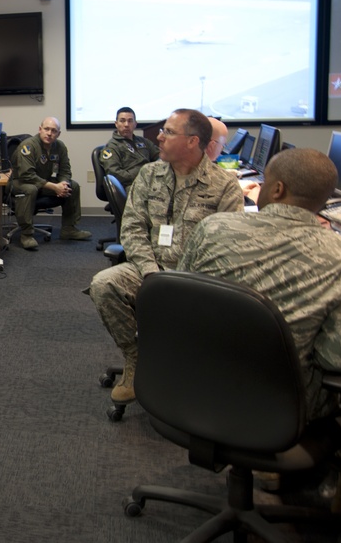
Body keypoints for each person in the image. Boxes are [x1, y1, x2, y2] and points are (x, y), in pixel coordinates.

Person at [178, 148, 341, 521]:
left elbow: (182, 300)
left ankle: (271, 468)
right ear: (325, 201)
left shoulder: (213, 229)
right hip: (285, 408)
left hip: (189, 390)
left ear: (275, 190)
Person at [88, 109, 244, 404]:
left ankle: (190, 365)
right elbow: (131, 228)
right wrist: (150, 271)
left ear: (192, 141)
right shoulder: (149, 174)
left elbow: (227, 245)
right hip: (150, 271)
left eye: (169, 132)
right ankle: (136, 358)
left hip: (198, 278)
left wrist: (181, 278)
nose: (159, 136)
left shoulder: (224, 185)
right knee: (103, 284)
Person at [9, 117, 92, 250]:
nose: (49, 133)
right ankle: (26, 234)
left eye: (54, 131)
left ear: (58, 134)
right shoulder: (28, 146)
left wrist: (63, 184)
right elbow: (27, 175)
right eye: (46, 129)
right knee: (30, 189)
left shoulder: (60, 147)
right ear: (40, 129)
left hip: (41, 182)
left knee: (73, 186)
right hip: (19, 182)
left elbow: (65, 170)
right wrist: (54, 187)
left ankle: (69, 229)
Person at [98, 107, 159, 190]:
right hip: (131, 186)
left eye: (130, 121)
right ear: (116, 123)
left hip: (150, 181)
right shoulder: (111, 147)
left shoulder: (144, 142)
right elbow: (114, 174)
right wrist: (142, 174)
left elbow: (160, 157)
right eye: (122, 121)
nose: (126, 124)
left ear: (135, 124)